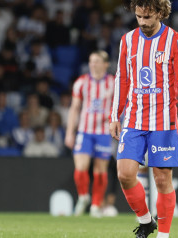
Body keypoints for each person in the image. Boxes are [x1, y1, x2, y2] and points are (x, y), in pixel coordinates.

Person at [110, 1, 178, 237]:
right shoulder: (127, 40)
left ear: (159, 13)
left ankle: (164, 236)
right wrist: (115, 115)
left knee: (162, 178)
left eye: (147, 17)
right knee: (124, 174)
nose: (142, 22)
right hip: (134, 120)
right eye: (138, 17)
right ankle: (146, 221)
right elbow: (121, 78)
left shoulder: (175, 40)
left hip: (164, 122)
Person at [64, 50, 115, 217]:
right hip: (84, 131)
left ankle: (95, 205)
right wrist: (69, 132)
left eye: (97, 61)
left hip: (103, 133)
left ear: (106, 64)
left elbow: (120, 107)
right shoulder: (81, 82)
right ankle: (84, 196)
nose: (93, 64)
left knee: (100, 170)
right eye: (91, 61)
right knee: (80, 167)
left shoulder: (113, 83)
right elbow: (74, 108)